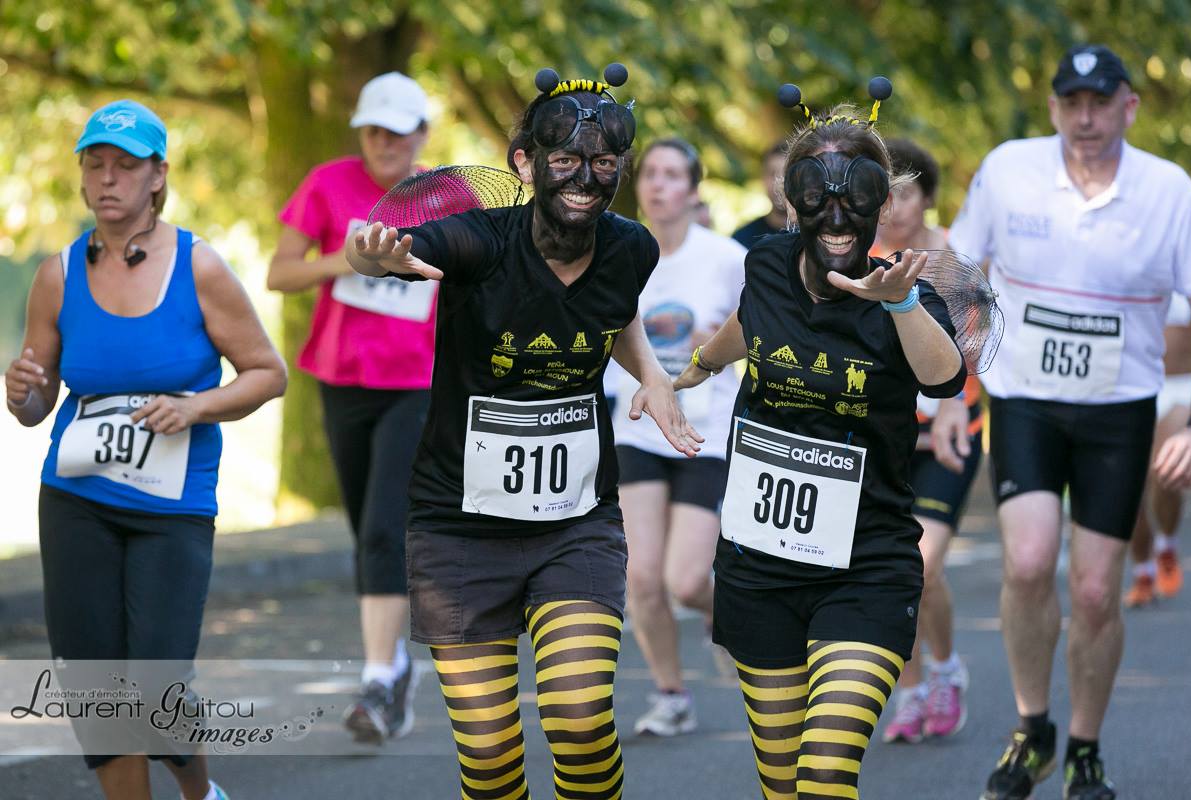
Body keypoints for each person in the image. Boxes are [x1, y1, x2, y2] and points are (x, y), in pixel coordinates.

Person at [346, 64, 702, 800]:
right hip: (459, 527)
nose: (585, 179)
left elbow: (613, 311)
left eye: (604, 163)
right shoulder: (478, 240)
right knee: (489, 754)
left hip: (575, 522)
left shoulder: (632, 248)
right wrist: (371, 255)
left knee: (578, 717)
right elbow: (395, 252)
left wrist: (653, 374)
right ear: (525, 163)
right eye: (565, 160)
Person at [676, 84, 968, 800]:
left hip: (865, 565)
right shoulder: (765, 264)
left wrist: (899, 303)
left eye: (855, 197)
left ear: (881, 203)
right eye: (817, 195)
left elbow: (945, 378)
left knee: (828, 768)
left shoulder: (906, 291)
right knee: (783, 782)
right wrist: (700, 365)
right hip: (757, 565)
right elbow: (750, 321)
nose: (836, 216)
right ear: (790, 198)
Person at [4, 99, 286, 800]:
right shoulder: (57, 274)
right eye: (95, 164)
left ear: (157, 176)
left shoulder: (200, 267)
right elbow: (36, 408)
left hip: (172, 505)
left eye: (126, 166)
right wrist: (22, 393)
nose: (108, 178)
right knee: (94, 684)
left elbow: (267, 373)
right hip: (76, 497)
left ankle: (200, 791)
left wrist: (195, 406)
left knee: (158, 686)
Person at [949, 44, 1191, 800]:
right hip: (1024, 396)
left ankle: (1085, 747)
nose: (1086, 118)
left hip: (1119, 408)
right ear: (1054, 108)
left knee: (1094, 591)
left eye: (1101, 102)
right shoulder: (1009, 168)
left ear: (1129, 107)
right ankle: (1033, 730)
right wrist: (954, 383)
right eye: (1072, 103)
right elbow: (959, 272)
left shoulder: (1171, 190)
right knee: (1028, 563)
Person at [267, 71, 433, 743]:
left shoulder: (446, 196)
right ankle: (395, 664)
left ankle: (377, 678)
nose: (384, 143)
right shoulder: (328, 183)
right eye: (373, 131)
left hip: (417, 381)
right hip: (341, 377)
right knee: (365, 525)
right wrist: (347, 261)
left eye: (398, 133)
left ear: (422, 135)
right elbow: (280, 273)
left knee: (385, 526)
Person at [611, 138, 745, 736]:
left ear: (693, 190)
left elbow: (767, 332)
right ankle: (671, 694)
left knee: (687, 581)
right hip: (636, 428)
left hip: (703, 433)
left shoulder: (727, 258)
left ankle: (731, 619)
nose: (659, 184)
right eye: (651, 174)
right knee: (641, 578)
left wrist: (725, 342)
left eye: (672, 175)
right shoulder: (619, 250)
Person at [872, 139, 979, 744]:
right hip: (885, 438)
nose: (892, 206)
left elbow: (975, 350)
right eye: (883, 194)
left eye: (906, 192)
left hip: (948, 434)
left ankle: (946, 669)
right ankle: (910, 692)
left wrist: (951, 406)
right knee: (891, 570)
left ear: (928, 198)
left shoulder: (957, 261)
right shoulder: (860, 258)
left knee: (920, 563)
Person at [1124, 292, 1191, 607]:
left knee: (1164, 469)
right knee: (1129, 487)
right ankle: (1143, 572)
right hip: (1137, 388)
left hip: (1182, 388)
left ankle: (1166, 544)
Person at [732, 140, 789, 248]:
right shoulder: (741, 240)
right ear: (763, 179)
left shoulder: (818, 237)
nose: (780, 183)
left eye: (787, 174)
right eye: (773, 174)